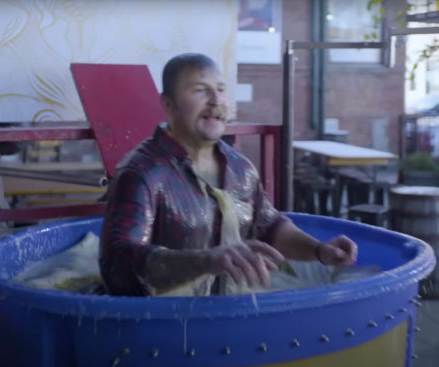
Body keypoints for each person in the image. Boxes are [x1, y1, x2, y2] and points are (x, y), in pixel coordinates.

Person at [100, 53, 357, 297]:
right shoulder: (143, 173)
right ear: (168, 105)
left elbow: (269, 226)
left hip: (228, 316)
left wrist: (319, 250)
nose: (216, 100)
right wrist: (207, 261)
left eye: (221, 90)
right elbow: (117, 265)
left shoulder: (239, 168)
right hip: (162, 326)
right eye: (200, 90)